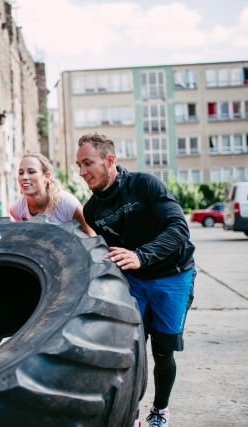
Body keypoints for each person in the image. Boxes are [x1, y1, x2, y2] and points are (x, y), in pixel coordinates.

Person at [76, 133, 195, 427]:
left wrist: (142, 255)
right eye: (78, 165)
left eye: (87, 163)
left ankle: (161, 409)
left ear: (110, 160)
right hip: (135, 283)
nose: (81, 172)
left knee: (163, 351)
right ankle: (131, 410)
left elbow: (179, 229)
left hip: (173, 276)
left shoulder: (144, 184)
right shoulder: (92, 211)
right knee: (129, 348)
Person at [9, 152, 95, 236]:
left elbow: (91, 238)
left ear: (47, 176)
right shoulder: (17, 210)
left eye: (31, 172)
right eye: (21, 173)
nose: (24, 177)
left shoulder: (67, 203)